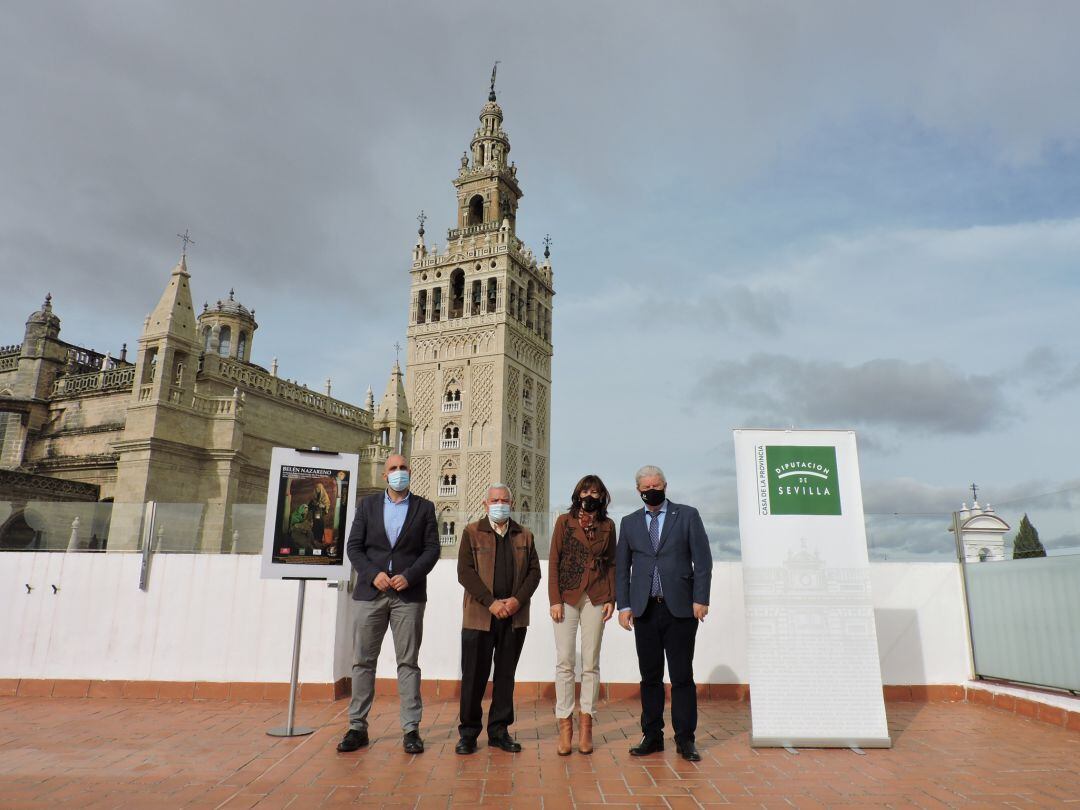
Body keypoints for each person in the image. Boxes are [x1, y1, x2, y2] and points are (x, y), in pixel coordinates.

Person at [337, 454, 439, 755]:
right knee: (363, 662)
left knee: (407, 663)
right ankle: (357, 726)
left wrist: (409, 576)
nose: (398, 473)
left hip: (408, 595)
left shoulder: (424, 508)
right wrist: (373, 574)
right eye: (393, 469)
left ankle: (411, 729)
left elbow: (431, 550)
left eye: (403, 468)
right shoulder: (367, 506)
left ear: (410, 472)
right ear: (385, 476)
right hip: (371, 593)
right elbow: (353, 547)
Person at [616, 465, 712, 761]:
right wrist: (624, 605)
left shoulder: (687, 515)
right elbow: (622, 568)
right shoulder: (629, 522)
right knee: (650, 677)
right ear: (638, 490)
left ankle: (685, 739)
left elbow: (703, 559)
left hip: (681, 609)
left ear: (665, 486)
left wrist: (701, 598)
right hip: (644, 610)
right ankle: (652, 736)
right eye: (646, 486)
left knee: (682, 676)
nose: (652, 489)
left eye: (656, 484)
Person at [455, 483, 541, 754]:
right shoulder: (471, 533)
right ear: (485, 504)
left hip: (513, 618)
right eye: (495, 500)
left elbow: (534, 573)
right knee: (474, 676)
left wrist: (516, 601)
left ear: (511, 504)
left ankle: (499, 731)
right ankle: (468, 733)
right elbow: (465, 573)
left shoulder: (524, 535)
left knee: (505, 676)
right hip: (480, 616)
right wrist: (491, 603)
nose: (500, 504)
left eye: (504, 499)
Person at [548, 474, 617, 755]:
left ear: (602, 497)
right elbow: (554, 560)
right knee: (565, 661)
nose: (590, 495)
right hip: (567, 596)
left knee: (590, 663)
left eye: (596, 492)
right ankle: (565, 725)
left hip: (597, 596)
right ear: (578, 493)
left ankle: (586, 725)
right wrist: (554, 600)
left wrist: (612, 597)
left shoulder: (608, 525)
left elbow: (612, 563)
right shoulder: (565, 522)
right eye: (586, 490)